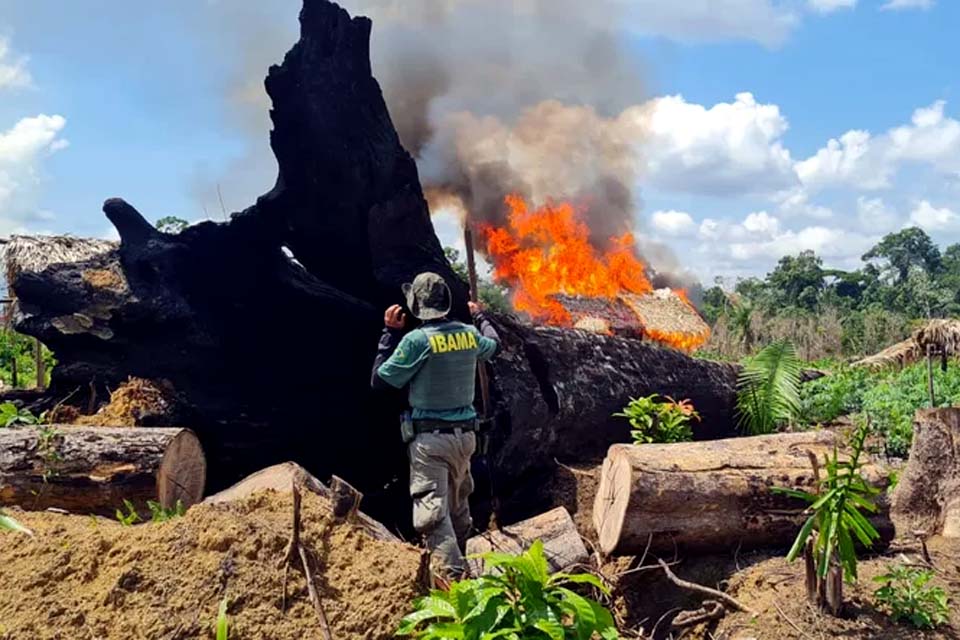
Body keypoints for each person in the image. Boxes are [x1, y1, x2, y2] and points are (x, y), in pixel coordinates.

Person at [370, 271, 500, 576]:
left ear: (416, 305)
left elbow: (379, 381)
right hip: (465, 439)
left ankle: (455, 585)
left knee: (433, 517)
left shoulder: (416, 341)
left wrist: (389, 333)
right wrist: (480, 316)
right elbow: (495, 345)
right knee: (458, 509)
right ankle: (472, 570)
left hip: (431, 443)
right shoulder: (468, 335)